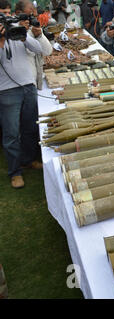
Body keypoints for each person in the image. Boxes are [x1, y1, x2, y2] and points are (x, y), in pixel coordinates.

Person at [0, 0, 43, 188]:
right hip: (7, 89)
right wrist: (1, 41)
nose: (6, 16)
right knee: (11, 134)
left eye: (8, 12)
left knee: (30, 128)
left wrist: (24, 36)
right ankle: (15, 172)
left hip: (28, 85)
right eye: (2, 13)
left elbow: (39, 49)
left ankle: (28, 159)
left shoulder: (17, 27)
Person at [14, 0, 52, 170]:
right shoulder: (13, 31)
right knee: (14, 128)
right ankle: (17, 163)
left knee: (29, 123)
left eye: (33, 12)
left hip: (30, 83)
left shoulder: (32, 29)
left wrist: (39, 34)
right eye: (29, 12)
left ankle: (29, 156)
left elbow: (47, 51)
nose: (32, 15)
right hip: (15, 84)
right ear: (18, 13)